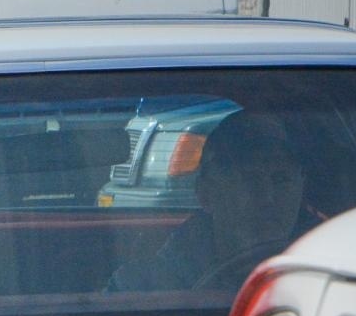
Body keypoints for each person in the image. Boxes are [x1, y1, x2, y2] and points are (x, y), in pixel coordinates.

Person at [107, 112, 321, 294]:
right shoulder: (146, 286)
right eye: (248, 179)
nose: (267, 196)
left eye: (282, 179)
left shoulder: (334, 271)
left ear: (302, 188)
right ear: (206, 193)